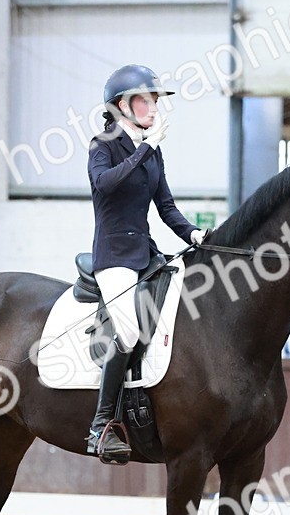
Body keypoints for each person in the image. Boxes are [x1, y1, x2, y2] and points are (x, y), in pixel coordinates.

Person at [85, 64, 208, 461]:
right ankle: (101, 425)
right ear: (121, 105)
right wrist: (145, 147)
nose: (153, 108)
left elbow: (166, 206)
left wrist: (193, 234)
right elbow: (106, 184)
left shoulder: (153, 152)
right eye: (145, 100)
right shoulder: (102, 144)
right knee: (129, 330)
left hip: (147, 255)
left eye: (155, 100)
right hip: (114, 258)